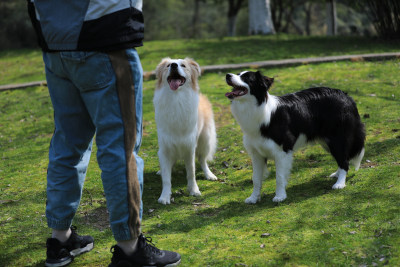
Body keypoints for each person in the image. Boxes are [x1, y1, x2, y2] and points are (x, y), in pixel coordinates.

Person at [27, 1, 181, 266]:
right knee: (120, 149)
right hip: (104, 38)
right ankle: (130, 249)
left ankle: (60, 240)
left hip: (54, 41)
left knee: (67, 144)